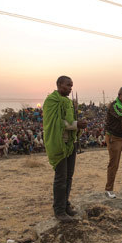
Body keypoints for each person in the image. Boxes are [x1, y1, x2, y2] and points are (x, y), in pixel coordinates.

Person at [43, 75, 87, 222]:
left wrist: (78, 124)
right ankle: (59, 210)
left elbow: (69, 119)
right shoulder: (51, 101)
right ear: (59, 85)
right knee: (61, 178)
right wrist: (76, 124)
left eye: (71, 86)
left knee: (68, 176)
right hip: (59, 144)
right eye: (67, 85)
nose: (70, 88)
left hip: (70, 143)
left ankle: (65, 204)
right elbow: (56, 122)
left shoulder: (68, 102)